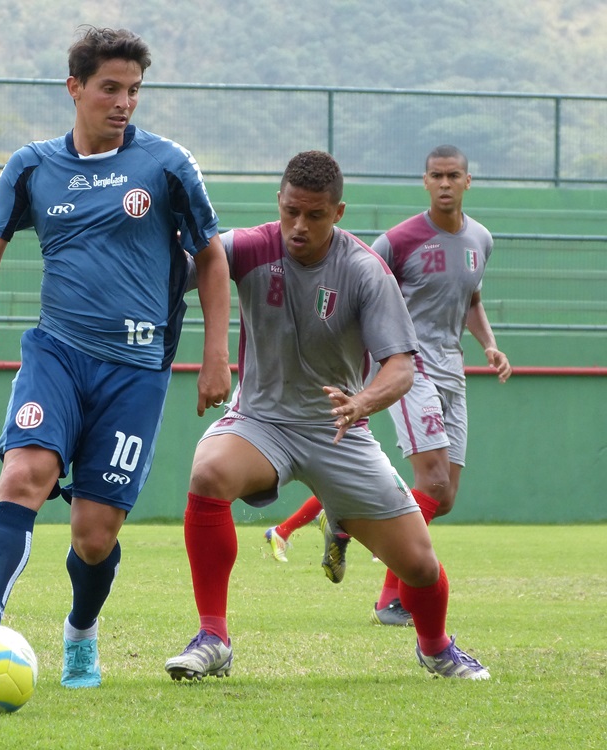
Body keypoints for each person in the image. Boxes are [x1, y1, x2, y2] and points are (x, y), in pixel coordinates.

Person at [0, 25, 231, 689]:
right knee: (24, 473)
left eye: (133, 90)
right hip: (58, 354)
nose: (124, 101)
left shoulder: (166, 166)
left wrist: (217, 354)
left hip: (136, 371)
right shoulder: (32, 167)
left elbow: (211, 258)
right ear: (75, 88)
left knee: (93, 534)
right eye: (110, 88)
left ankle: (80, 633)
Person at [165, 150, 491, 681]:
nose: (299, 226)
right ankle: (213, 637)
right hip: (262, 423)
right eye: (291, 211)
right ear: (279, 202)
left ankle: (436, 647)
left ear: (337, 213)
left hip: (339, 432)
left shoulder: (365, 269)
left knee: (420, 565)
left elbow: (402, 368)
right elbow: (186, 268)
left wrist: (361, 403)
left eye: (315, 215)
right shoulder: (245, 248)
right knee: (209, 470)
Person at [266, 145, 512, 627]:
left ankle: (347, 527)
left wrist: (489, 344)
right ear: (424, 181)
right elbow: (354, 288)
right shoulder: (396, 242)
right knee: (432, 481)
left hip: (452, 369)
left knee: (443, 497)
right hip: (408, 366)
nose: (445, 183)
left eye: (453, 175)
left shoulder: (480, 239)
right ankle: (384, 589)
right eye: (436, 175)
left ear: (468, 181)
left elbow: (471, 299)